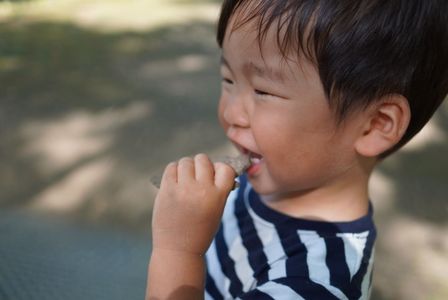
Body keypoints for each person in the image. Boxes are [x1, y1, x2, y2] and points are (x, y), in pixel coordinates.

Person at [146, 0, 448, 299]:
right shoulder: (278, 177)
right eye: (228, 79)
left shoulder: (315, 285)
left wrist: (177, 250)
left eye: (263, 90)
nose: (231, 113)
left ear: (374, 124)